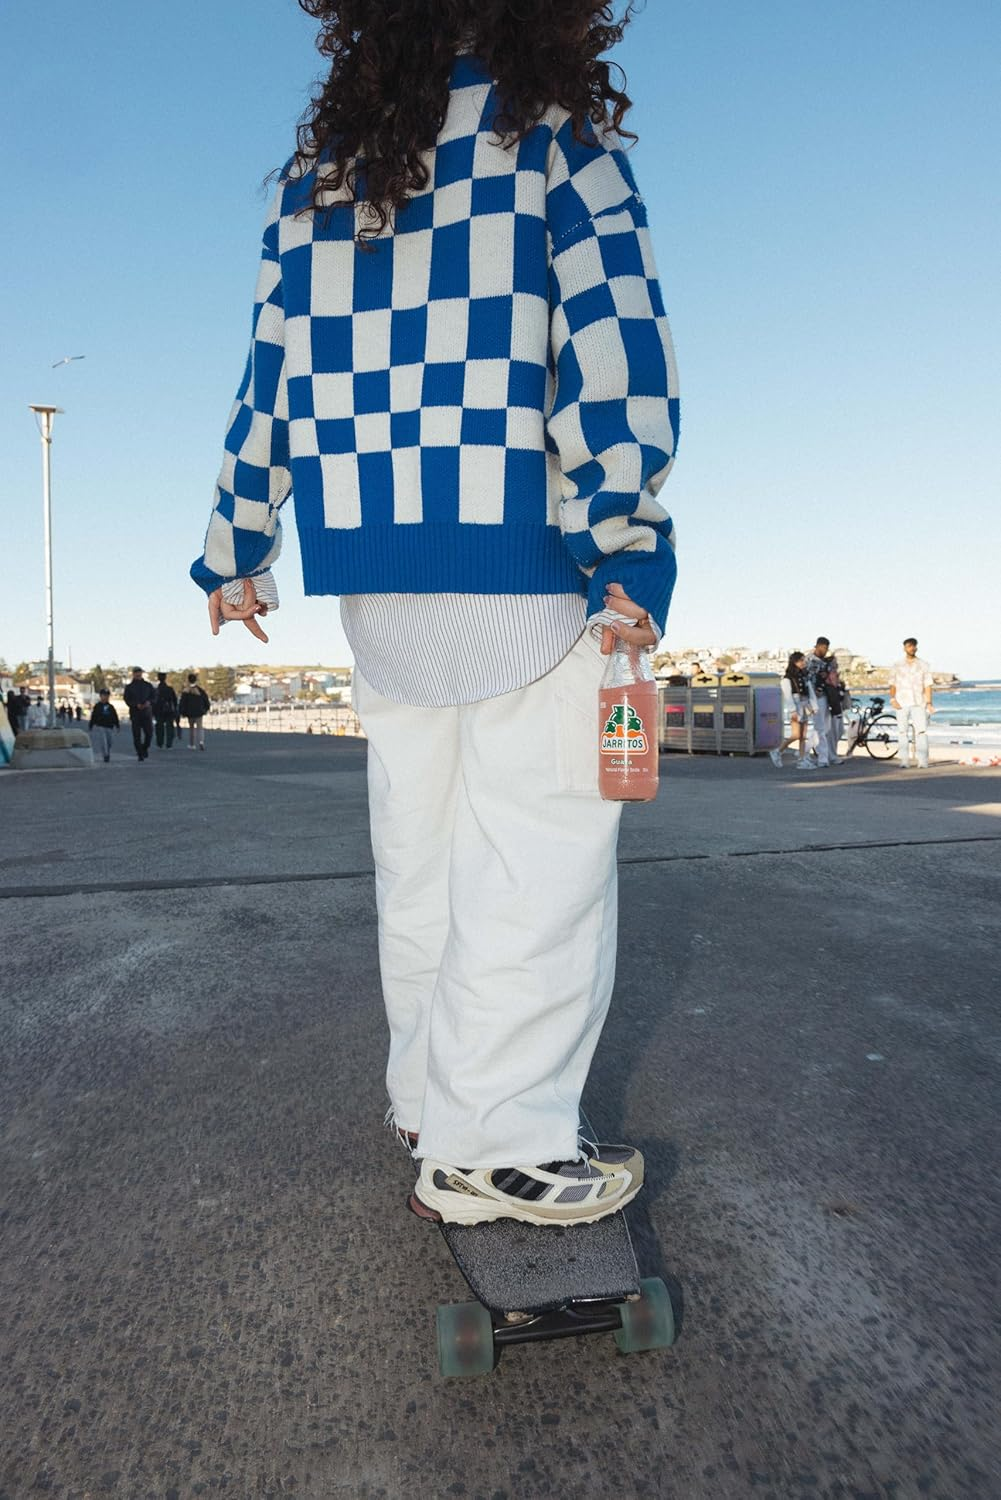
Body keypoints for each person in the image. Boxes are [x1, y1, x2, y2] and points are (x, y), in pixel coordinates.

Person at [190, 0, 679, 1228]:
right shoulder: (553, 139)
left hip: (378, 581)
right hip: (522, 561)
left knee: (422, 860)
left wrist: (233, 552)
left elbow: (269, 376)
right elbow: (612, 346)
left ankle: (425, 1099)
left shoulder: (318, 180)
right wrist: (620, 540)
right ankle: (497, 1146)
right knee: (536, 865)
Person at [891, 637, 934, 769]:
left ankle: (923, 760)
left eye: (914, 646)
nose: (912, 648)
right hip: (901, 701)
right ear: (904, 648)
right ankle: (904, 760)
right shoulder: (897, 665)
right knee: (902, 732)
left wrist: (929, 702)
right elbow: (892, 684)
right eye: (909, 646)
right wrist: (892, 699)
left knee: (921, 732)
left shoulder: (924, 665)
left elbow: (928, 684)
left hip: (918, 702)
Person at [770, 651, 815, 769]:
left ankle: (802, 760)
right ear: (795, 662)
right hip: (796, 706)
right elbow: (788, 696)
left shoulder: (804, 676)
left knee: (803, 736)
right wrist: (792, 710)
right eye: (801, 660)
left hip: (804, 704)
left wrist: (812, 706)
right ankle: (778, 751)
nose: (803, 663)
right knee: (795, 734)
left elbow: (808, 692)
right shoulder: (787, 678)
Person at [805, 638, 841, 767]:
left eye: (827, 648)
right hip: (815, 697)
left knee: (826, 727)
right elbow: (806, 678)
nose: (825, 651)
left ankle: (804, 751)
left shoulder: (825, 661)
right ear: (818, 646)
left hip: (826, 696)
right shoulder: (809, 660)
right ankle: (822, 757)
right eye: (824, 648)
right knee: (820, 728)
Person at [123, 666, 155, 761]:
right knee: (136, 735)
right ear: (133, 674)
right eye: (136, 672)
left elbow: (154, 696)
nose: (138, 674)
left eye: (139, 672)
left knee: (149, 734)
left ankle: (144, 748)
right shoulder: (129, 687)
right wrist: (135, 705)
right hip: (135, 713)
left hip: (146, 713)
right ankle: (140, 753)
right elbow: (127, 699)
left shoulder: (148, 685)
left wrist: (149, 702)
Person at [178, 674, 210, 750]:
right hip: (199, 712)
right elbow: (206, 700)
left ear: (189, 680)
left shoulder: (186, 691)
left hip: (190, 713)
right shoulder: (200, 690)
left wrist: (182, 712)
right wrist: (206, 709)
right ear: (196, 680)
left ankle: (192, 744)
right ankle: (201, 742)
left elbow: (182, 703)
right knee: (200, 728)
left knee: (191, 728)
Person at [89, 688, 120, 762]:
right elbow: (93, 716)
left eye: (107, 696)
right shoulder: (97, 706)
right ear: (100, 696)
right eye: (103, 695)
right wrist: (91, 724)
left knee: (110, 741)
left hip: (110, 726)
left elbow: (115, 716)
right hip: (101, 725)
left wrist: (117, 725)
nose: (105, 697)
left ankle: (108, 752)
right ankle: (105, 755)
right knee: (103, 741)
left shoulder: (111, 707)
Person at [152, 672, 180, 749]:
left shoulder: (156, 690)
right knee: (169, 727)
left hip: (158, 711)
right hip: (169, 710)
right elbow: (174, 700)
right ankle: (169, 743)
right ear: (165, 678)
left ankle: (160, 743)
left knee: (159, 727)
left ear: (158, 678)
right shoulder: (170, 689)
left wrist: (153, 712)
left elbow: (153, 702)